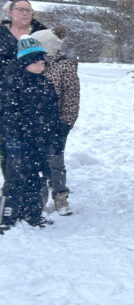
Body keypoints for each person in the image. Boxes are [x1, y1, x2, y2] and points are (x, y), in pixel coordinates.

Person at [0, 37, 61, 232]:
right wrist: (13, 139)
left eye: (42, 62)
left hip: (39, 140)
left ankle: (32, 214)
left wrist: (53, 136)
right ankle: (7, 216)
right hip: (15, 141)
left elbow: (52, 113)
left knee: (36, 178)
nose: (40, 66)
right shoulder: (10, 83)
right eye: (36, 62)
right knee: (14, 179)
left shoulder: (45, 84)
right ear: (24, 62)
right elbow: (7, 114)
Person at [34, 27, 80, 216]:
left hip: (57, 123)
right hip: (35, 123)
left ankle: (60, 196)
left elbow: (72, 97)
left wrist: (65, 123)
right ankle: (40, 197)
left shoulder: (64, 66)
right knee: (37, 161)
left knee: (55, 160)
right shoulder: (35, 63)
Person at [0, 0, 45, 73]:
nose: (25, 13)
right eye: (20, 10)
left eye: (28, 10)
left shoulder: (42, 33)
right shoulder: (2, 32)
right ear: (10, 13)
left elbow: (49, 60)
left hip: (33, 82)